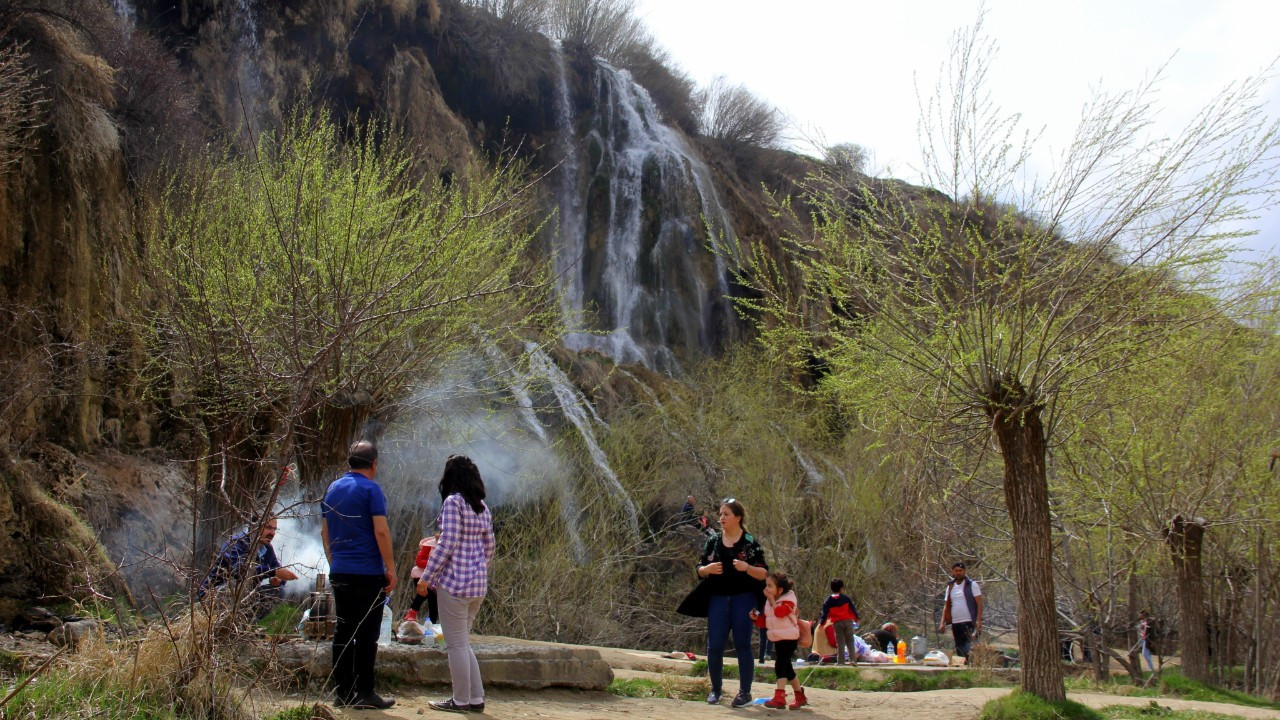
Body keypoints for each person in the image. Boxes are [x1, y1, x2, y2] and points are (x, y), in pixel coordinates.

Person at [322, 440, 397, 710]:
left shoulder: (332, 488)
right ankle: (365, 693)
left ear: (349, 463)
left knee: (343, 632)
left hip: (340, 571)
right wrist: (391, 567)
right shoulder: (372, 490)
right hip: (367, 573)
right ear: (374, 464)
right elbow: (381, 531)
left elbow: (325, 532)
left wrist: (335, 561)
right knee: (367, 635)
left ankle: (342, 693)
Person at [421, 455, 496, 714]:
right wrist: (478, 570)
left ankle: (460, 700)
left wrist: (427, 576)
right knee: (463, 643)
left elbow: (448, 541)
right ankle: (476, 699)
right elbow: (490, 547)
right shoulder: (482, 507)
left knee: (455, 646)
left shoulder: (454, 503)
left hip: (454, 585)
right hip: (477, 587)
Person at [696, 498, 768, 707]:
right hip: (718, 599)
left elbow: (764, 572)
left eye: (726, 514)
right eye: (720, 514)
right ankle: (716, 690)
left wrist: (747, 567)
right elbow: (700, 568)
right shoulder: (714, 541)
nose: (721, 518)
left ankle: (744, 692)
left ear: (738, 518)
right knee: (715, 646)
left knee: (743, 645)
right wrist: (706, 570)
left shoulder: (750, 542)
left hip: (743, 599)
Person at [199, 515, 299, 619]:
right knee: (235, 587)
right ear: (254, 527)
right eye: (268, 527)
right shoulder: (236, 543)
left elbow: (278, 570)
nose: (272, 533)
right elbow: (240, 571)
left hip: (243, 596)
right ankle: (223, 625)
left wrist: (278, 580)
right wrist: (273, 572)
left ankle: (244, 627)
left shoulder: (267, 549)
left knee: (278, 591)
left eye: (274, 529)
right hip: (215, 595)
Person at [750, 572, 807, 710]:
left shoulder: (789, 600)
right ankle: (799, 696)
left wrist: (772, 600)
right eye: (766, 586)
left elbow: (780, 613)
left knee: (780, 665)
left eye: (769, 586)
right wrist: (755, 618)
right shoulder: (769, 603)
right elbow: (766, 621)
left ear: (780, 590)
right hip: (779, 639)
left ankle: (780, 696)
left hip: (789, 638)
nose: (766, 589)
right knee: (788, 669)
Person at [938, 561, 983, 661]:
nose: (958, 573)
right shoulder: (950, 587)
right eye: (956, 571)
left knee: (970, 647)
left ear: (964, 571)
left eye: (961, 570)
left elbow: (979, 603)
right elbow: (946, 605)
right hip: (956, 622)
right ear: (952, 572)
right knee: (959, 647)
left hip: (969, 621)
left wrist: (978, 620)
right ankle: (963, 669)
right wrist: (942, 622)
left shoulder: (972, 585)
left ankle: (973, 668)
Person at [818, 578, 859, 664]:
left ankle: (841, 661)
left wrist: (822, 623)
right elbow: (852, 609)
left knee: (840, 642)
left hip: (837, 623)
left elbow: (825, 614)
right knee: (850, 641)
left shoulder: (828, 601)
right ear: (841, 588)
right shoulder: (846, 598)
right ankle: (853, 660)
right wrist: (856, 619)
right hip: (848, 621)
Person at [404, 531, 440, 624]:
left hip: (436, 579)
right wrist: (434, 565)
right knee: (429, 595)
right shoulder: (429, 545)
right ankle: (414, 614)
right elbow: (419, 561)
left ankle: (415, 614)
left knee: (434, 601)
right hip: (421, 575)